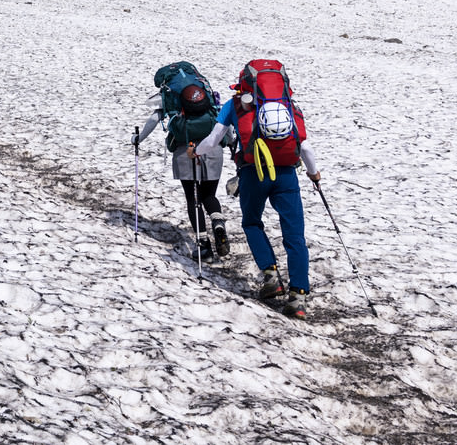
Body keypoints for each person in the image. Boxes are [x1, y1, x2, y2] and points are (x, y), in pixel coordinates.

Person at [191, 59, 321, 319]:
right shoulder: (288, 106)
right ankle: (298, 297)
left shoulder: (234, 105)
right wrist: (313, 173)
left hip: (254, 172)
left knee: (252, 222)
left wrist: (196, 151)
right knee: (294, 236)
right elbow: (304, 146)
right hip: (286, 174)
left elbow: (214, 139)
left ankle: (271, 276)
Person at [134, 81, 229, 260]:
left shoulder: (170, 96)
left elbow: (155, 119)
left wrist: (138, 138)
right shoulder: (205, 93)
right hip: (213, 149)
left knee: (193, 198)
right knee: (209, 195)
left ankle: (204, 247)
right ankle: (217, 222)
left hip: (185, 150)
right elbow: (223, 123)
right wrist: (230, 144)